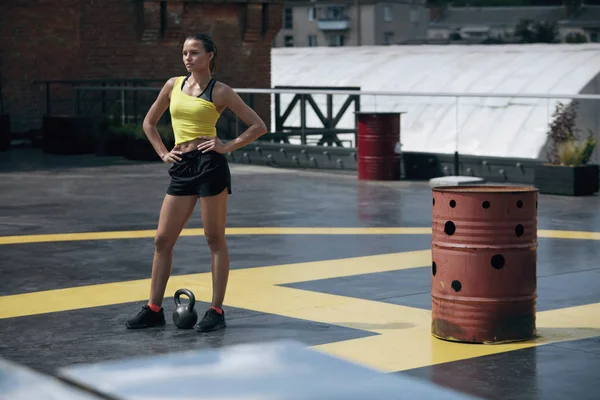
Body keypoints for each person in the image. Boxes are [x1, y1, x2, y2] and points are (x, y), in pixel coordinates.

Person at [125, 33, 267, 332]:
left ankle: (216, 311)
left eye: (194, 53)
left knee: (214, 239)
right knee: (162, 239)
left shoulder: (221, 91)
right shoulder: (172, 85)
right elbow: (149, 123)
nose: (188, 58)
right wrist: (163, 153)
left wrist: (226, 146)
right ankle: (153, 308)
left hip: (210, 166)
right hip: (182, 166)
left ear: (210, 55)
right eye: (185, 53)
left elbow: (258, 125)